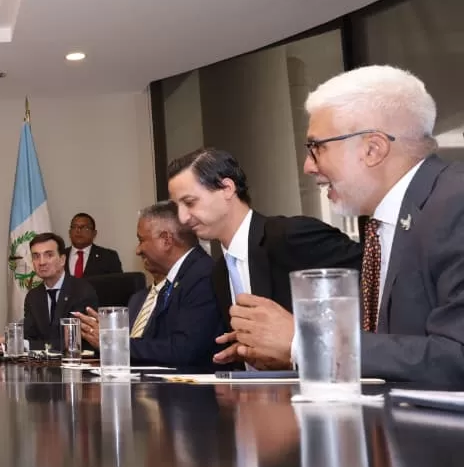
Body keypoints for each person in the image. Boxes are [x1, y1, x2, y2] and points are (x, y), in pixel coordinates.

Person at [214, 66, 464, 387]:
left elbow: (456, 356)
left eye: (317, 147)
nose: (308, 166)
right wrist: (285, 351)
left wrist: (305, 342)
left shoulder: (455, 204)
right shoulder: (386, 223)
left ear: (372, 149)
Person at [167, 147, 361, 334]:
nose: (182, 218)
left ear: (227, 188)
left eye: (190, 202)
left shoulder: (291, 236)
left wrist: (301, 339)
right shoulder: (219, 273)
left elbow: (372, 276)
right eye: (177, 207)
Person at [73, 202, 220, 370]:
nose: (138, 250)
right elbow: (155, 342)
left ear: (166, 240)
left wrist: (116, 343)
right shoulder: (180, 278)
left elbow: (183, 350)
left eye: (141, 240)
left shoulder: (203, 276)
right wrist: (112, 333)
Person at [0, 233, 98, 352]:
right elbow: (29, 335)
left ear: (62, 260)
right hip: (41, 363)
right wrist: (7, 341)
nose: (41, 262)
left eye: (49, 255)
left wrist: (24, 345)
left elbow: (71, 342)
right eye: (36, 256)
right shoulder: (33, 296)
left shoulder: (81, 291)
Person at [65, 212, 123, 278]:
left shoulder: (109, 257)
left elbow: (118, 283)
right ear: (69, 232)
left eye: (85, 228)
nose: (78, 230)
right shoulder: (60, 255)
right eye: (74, 227)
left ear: (94, 233)